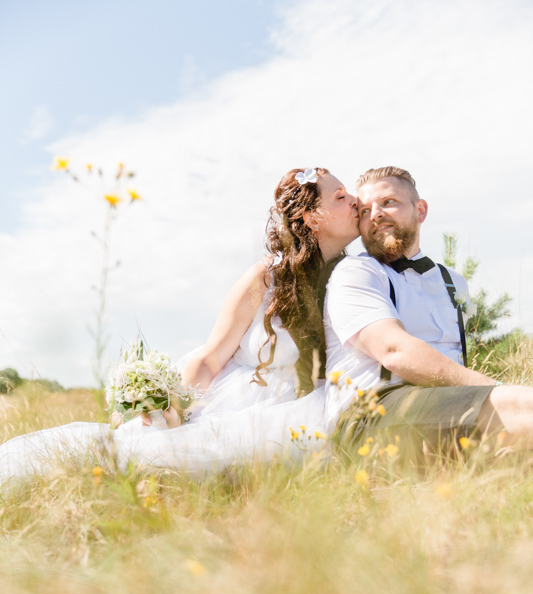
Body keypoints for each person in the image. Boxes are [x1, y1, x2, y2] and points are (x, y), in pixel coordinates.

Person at [0, 167, 359, 486]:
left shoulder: (356, 279)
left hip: (305, 410)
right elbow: (210, 357)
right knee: (153, 456)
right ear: (313, 218)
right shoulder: (266, 277)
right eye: (341, 196)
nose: (356, 201)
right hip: (240, 400)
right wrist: (176, 409)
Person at [324, 165, 533, 453]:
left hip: (448, 405)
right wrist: (494, 389)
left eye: (388, 202)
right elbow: (395, 352)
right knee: (522, 407)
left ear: (420, 211)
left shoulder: (453, 282)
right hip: (372, 414)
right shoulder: (356, 272)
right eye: (364, 211)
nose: (375, 215)